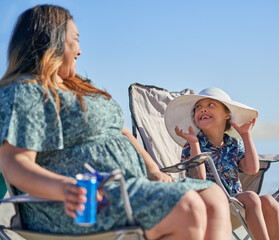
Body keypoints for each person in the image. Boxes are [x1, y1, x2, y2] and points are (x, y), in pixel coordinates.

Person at [0, 5, 232, 240]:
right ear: (52, 42)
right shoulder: (26, 91)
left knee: (213, 195)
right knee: (187, 206)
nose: (80, 51)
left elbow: (120, 131)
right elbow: (15, 164)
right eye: (75, 40)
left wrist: (152, 169)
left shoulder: (76, 86)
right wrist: (64, 188)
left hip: (126, 188)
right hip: (75, 203)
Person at [164, 87, 279, 240]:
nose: (203, 109)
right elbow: (199, 180)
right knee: (251, 197)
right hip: (210, 205)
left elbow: (252, 169)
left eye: (210, 105)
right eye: (198, 107)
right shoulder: (192, 144)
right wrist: (194, 144)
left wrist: (246, 135)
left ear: (227, 114)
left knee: (270, 202)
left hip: (235, 203)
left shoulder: (233, 143)